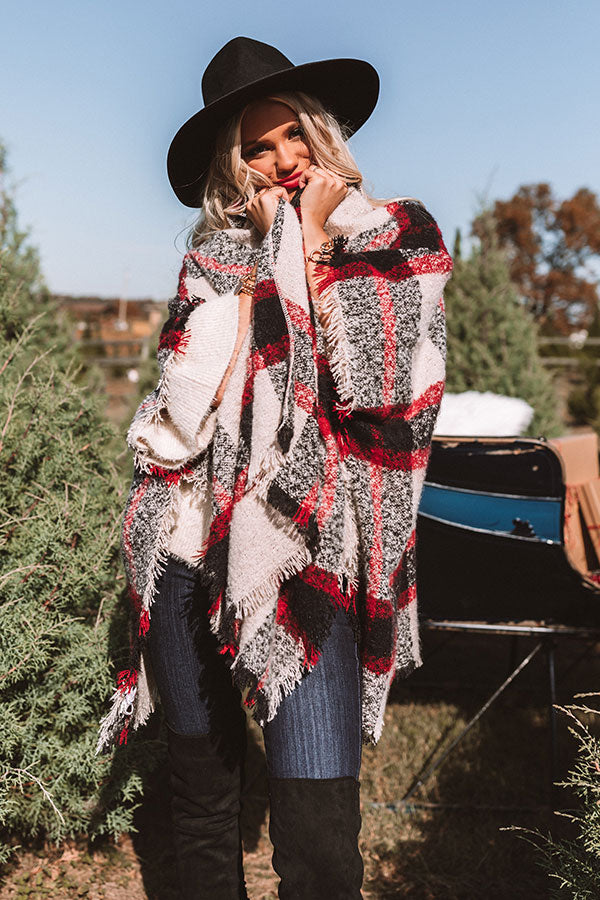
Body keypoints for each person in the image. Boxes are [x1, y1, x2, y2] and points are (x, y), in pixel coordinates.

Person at [97, 36, 453, 899]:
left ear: (322, 132)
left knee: (319, 833)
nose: (285, 160)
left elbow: (378, 390)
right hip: (183, 537)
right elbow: (182, 406)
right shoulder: (214, 257)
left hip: (308, 548)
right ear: (235, 165)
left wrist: (312, 245)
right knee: (202, 794)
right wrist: (266, 260)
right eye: (258, 147)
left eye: (294, 133)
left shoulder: (399, 234)